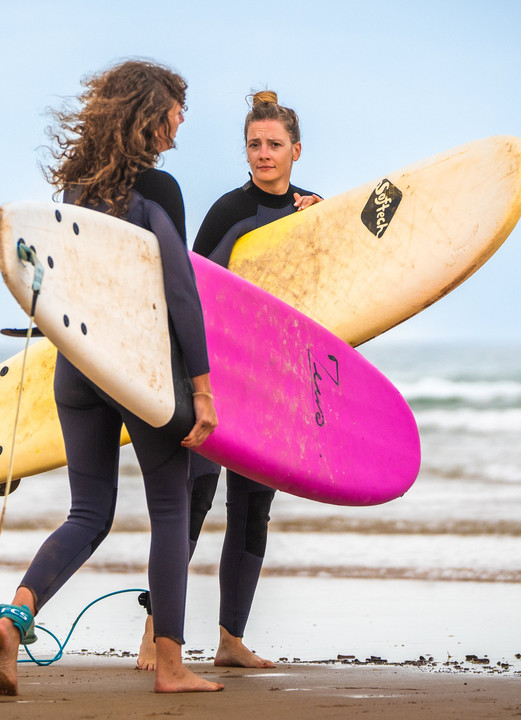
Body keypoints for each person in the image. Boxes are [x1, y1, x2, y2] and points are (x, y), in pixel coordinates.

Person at [0, 60, 224, 695]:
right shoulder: (159, 190)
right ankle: (170, 666)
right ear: (150, 114)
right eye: (176, 109)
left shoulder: (77, 191)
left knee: (89, 512)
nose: (181, 121)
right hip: (139, 371)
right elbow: (180, 289)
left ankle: (14, 618)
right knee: (170, 508)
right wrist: (201, 387)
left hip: (78, 367)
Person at [137, 90, 321, 670]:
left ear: (296, 150)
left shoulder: (314, 211)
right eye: (254, 144)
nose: (264, 154)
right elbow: (187, 288)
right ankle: (155, 631)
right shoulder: (228, 211)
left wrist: (320, 221)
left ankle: (230, 640)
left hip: (273, 378)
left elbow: (332, 294)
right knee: (194, 498)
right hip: (218, 372)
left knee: (253, 507)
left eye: (274, 145)